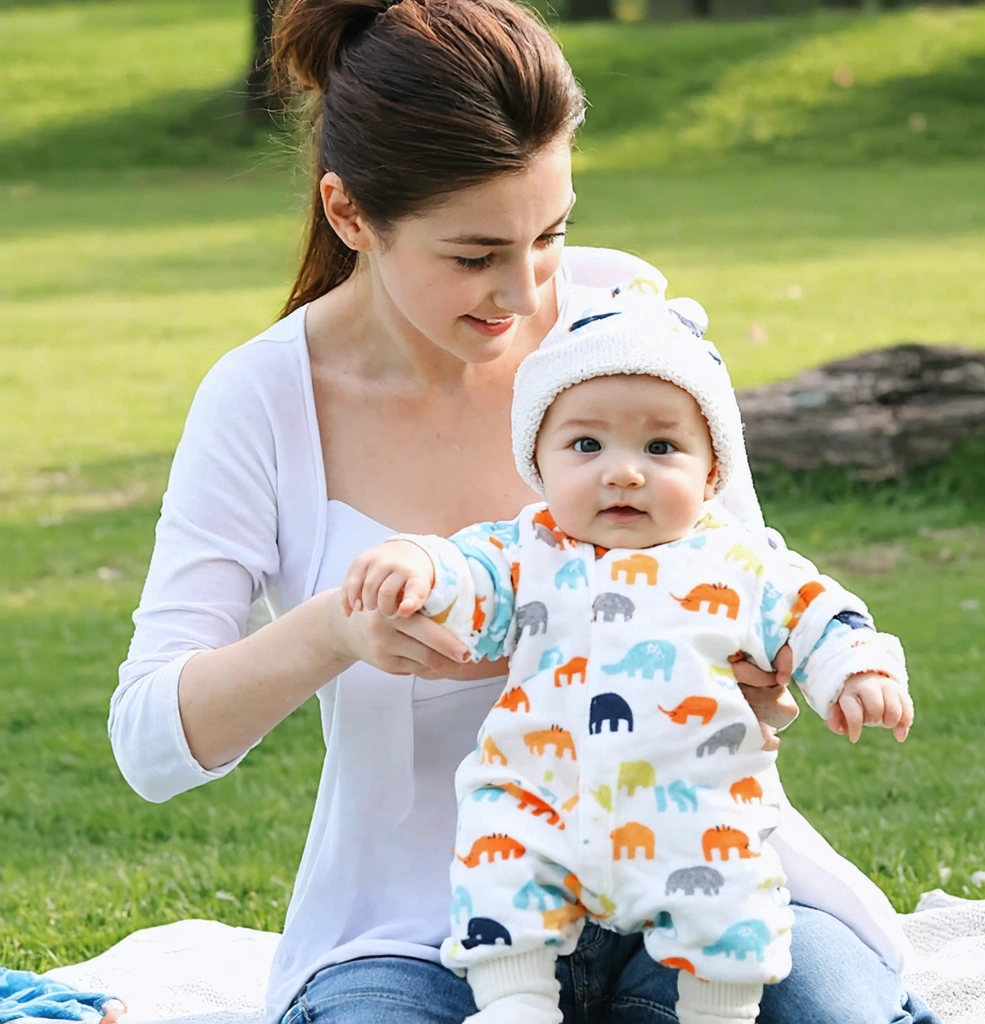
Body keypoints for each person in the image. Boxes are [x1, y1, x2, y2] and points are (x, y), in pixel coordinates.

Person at [108, 0, 940, 1021]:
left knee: (821, 1007)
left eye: (550, 233)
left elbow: (742, 563)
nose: (523, 290)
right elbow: (149, 743)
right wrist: (336, 630)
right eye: (474, 255)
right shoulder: (263, 400)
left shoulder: (623, 322)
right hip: (422, 925)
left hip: (689, 876)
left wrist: (775, 676)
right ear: (349, 214)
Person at [339, 298, 914, 1024]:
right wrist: (415, 562)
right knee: (496, 859)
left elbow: (817, 610)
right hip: (540, 793)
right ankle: (515, 1000)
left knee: (730, 887)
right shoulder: (529, 549)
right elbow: (466, 574)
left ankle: (718, 1006)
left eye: (661, 449)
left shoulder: (736, 559)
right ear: (538, 466)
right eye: (586, 446)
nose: (623, 474)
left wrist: (857, 667)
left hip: (693, 800)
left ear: (711, 477)